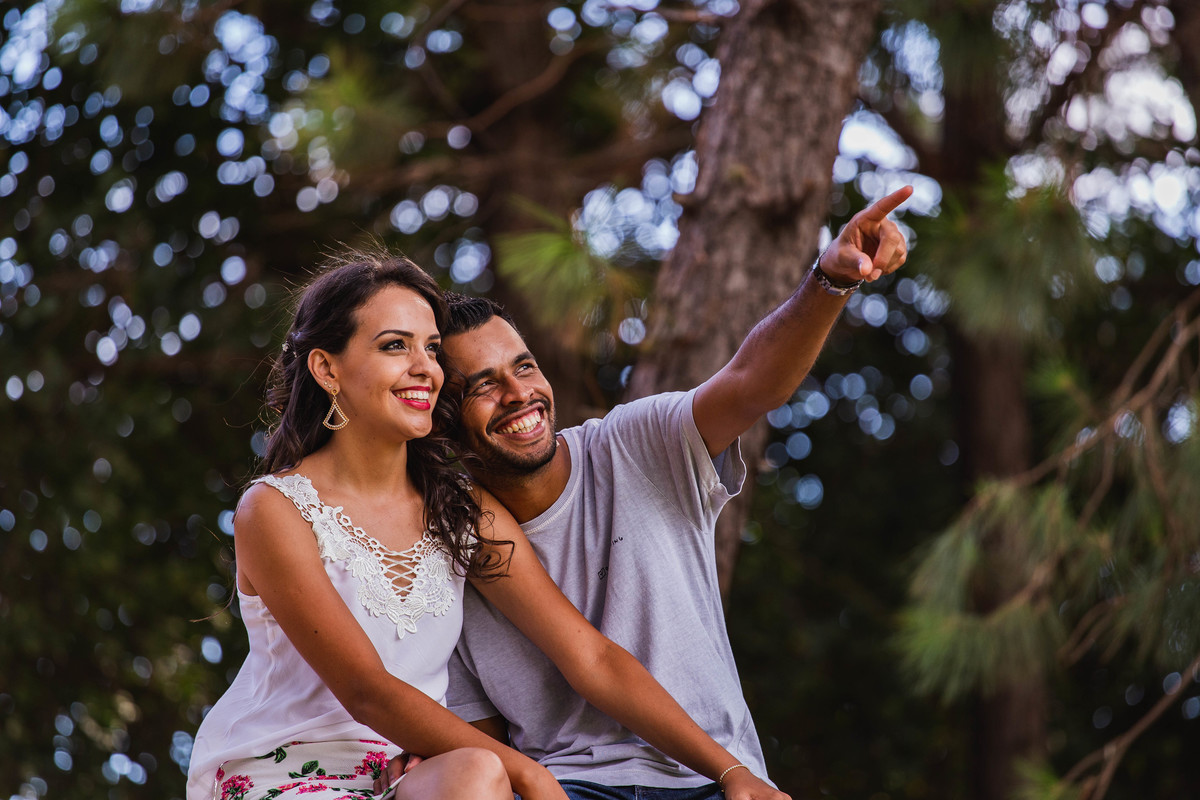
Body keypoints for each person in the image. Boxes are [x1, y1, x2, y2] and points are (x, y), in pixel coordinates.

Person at [185, 252, 789, 800]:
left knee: (477, 773)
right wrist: (531, 775)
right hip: (292, 772)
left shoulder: (459, 511)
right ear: (327, 368)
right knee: (486, 771)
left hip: (408, 776)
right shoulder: (276, 509)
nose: (424, 368)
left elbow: (591, 657)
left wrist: (731, 772)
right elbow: (366, 689)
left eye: (431, 349)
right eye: (395, 346)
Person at [381, 187, 912, 799]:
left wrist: (830, 280)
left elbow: (752, 382)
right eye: (483, 386)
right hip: (568, 788)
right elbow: (489, 746)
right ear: (441, 420)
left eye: (524, 367)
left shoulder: (634, 444)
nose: (519, 394)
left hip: (714, 778)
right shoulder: (447, 551)